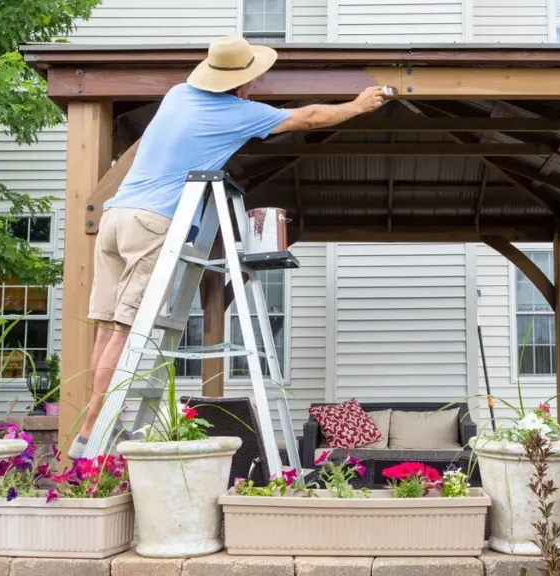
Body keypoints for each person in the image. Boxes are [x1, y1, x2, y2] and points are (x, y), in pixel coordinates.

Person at [70, 36, 388, 458]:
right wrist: (358, 106)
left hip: (116, 215)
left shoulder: (177, 95)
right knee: (127, 331)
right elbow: (309, 118)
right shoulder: (238, 112)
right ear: (244, 82)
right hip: (153, 221)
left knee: (107, 327)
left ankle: (88, 427)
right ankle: (95, 429)